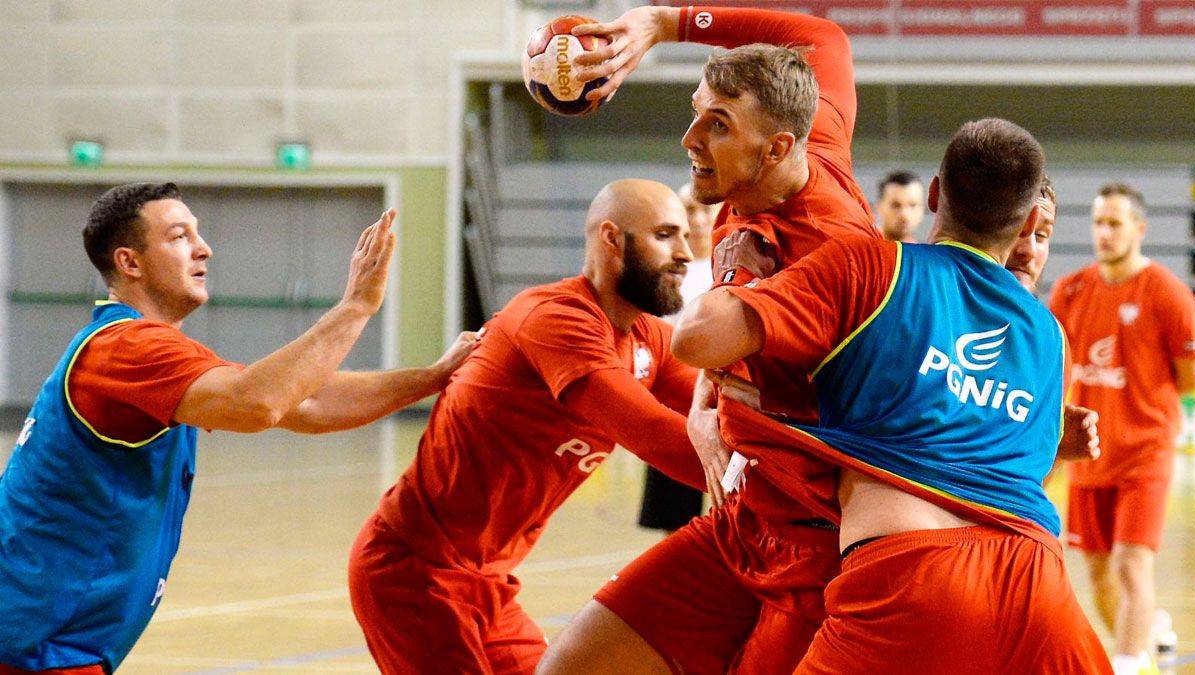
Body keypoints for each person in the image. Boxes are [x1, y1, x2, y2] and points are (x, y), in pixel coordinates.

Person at [672, 117, 1111, 672]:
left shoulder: (874, 265)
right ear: (1027, 223)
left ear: (932, 194)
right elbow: (1009, 474)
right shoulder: (1049, 335)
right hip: (1039, 583)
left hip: (913, 577)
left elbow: (695, 338)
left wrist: (737, 276)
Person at [0, 182, 477, 674]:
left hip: (47, 641)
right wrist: (355, 306)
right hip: (33, 645)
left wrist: (434, 376)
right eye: (180, 235)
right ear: (130, 263)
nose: (204, 248)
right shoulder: (128, 348)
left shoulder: (147, 349)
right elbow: (257, 403)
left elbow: (306, 402)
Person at [539, 7, 880, 674]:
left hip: (815, 550)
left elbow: (895, 408)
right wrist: (662, 23)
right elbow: (824, 38)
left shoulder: (838, 260)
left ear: (777, 148)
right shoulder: (811, 143)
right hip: (740, 520)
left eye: (717, 125)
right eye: (698, 111)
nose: (691, 137)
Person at [346, 179, 707, 674]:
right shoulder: (558, 319)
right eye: (666, 235)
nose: (686, 253)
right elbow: (655, 436)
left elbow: (720, 416)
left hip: (489, 580)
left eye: (686, 235)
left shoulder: (650, 341)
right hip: (413, 568)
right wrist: (788, 486)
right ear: (610, 239)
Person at [1050, 181, 1195, 675]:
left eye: (1115, 223)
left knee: (1130, 565)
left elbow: (1190, 379)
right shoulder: (1070, 290)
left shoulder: (1169, 295)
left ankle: (1130, 663)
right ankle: (1148, 631)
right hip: (1090, 457)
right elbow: (1053, 369)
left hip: (1146, 455)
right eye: (1098, 222)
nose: (1104, 233)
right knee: (1097, 574)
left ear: (1140, 228)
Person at [638, 182, 718, 534]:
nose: (698, 219)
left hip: (721, 400)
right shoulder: (666, 271)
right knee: (676, 516)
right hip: (674, 399)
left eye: (705, 210)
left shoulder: (728, 267)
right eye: (690, 209)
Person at [874, 169, 925, 243]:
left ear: (922, 210)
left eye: (912, 205)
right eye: (896, 205)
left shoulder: (918, 252)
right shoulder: (863, 250)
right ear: (879, 207)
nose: (904, 214)